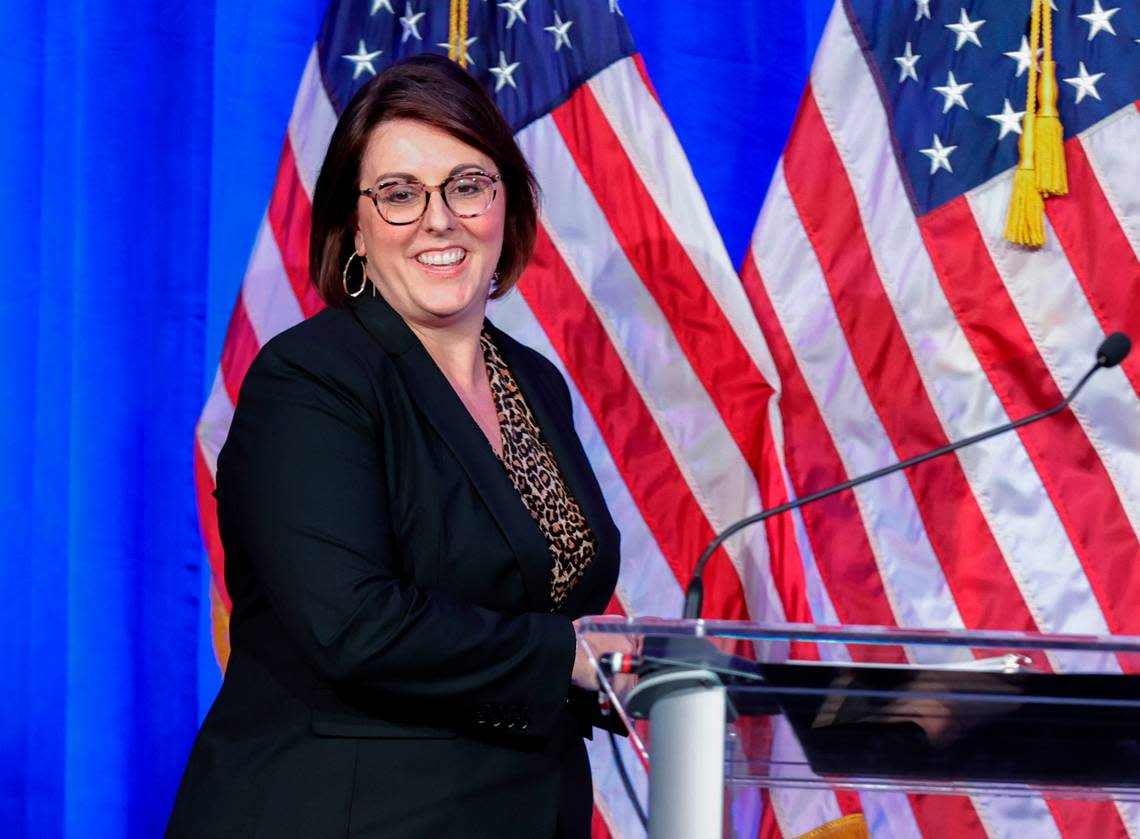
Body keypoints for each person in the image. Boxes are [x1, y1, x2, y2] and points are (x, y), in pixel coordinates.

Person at [168, 55, 629, 838]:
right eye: (399, 194)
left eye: (467, 184)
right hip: (349, 814)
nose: (439, 218)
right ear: (354, 226)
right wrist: (571, 658)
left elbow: (535, 597)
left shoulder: (533, 384)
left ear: (506, 202)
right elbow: (356, 625)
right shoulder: (309, 380)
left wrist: (656, 673)